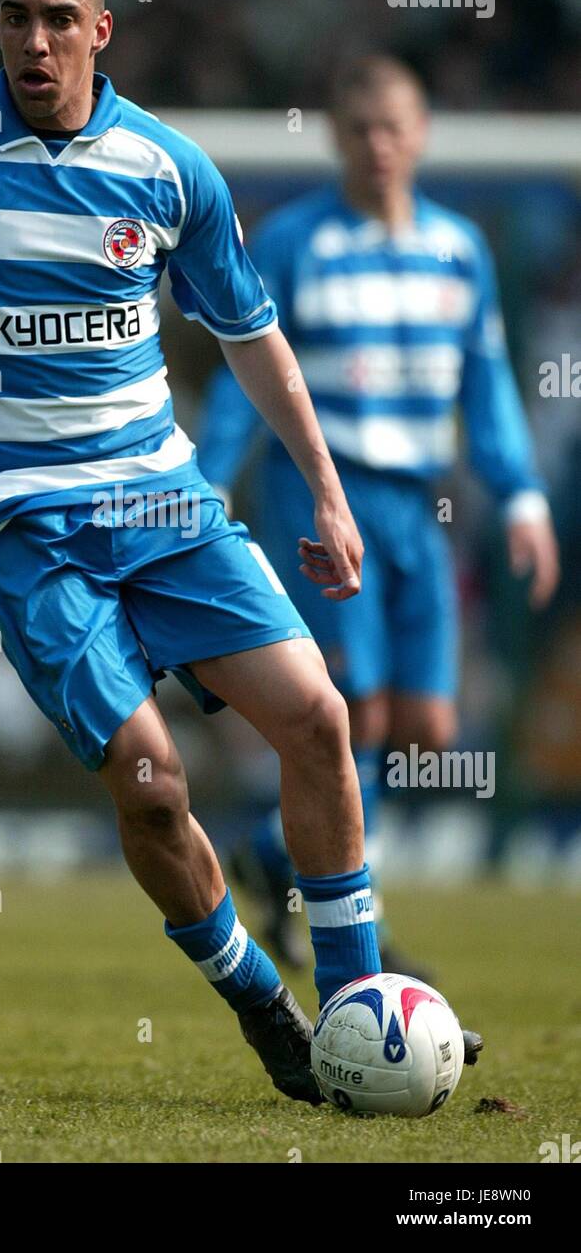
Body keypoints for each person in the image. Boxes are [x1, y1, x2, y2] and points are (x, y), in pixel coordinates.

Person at [0, 0, 480, 1103]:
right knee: (149, 782)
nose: (32, 43)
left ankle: (353, 1006)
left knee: (315, 718)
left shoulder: (166, 167)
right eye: (12, 20)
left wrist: (327, 491)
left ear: (102, 32)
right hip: (13, 521)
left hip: (161, 500)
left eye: (56, 21)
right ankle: (261, 1000)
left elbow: (250, 335)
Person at [198, 55, 560, 976]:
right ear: (335, 137)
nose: (378, 145)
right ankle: (352, 919)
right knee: (352, 711)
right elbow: (248, 376)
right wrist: (202, 481)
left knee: (428, 728)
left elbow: (483, 386)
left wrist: (518, 493)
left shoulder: (458, 249)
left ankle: (277, 856)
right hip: (322, 500)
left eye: (394, 126)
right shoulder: (290, 241)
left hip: (415, 510)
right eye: (360, 129)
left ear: (422, 132)